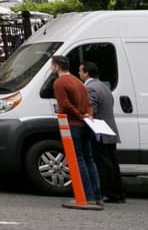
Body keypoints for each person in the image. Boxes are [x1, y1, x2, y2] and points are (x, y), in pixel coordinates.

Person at [51, 55, 101, 206]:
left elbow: (65, 104)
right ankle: (97, 195)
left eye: (52, 66)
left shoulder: (59, 82)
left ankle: (87, 196)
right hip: (86, 124)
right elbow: (89, 103)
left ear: (57, 67)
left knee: (78, 160)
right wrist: (88, 115)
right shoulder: (79, 82)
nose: (51, 69)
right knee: (89, 159)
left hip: (72, 124)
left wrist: (79, 115)